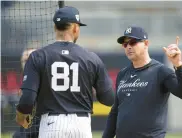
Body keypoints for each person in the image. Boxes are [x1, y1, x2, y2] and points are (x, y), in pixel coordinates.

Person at [15, 6, 114, 138]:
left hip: (51, 125)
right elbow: (108, 99)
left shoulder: (38, 56)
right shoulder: (92, 58)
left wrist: (21, 115)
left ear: (55, 27)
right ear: (75, 28)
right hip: (82, 126)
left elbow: (27, 100)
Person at [102, 26, 182, 138]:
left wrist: (178, 64)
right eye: (125, 44)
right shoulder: (123, 74)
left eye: (133, 42)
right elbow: (115, 111)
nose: (128, 47)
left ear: (146, 43)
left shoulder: (161, 71)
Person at [13, 48, 40, 138]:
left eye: (29, 60)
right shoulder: (25, 80)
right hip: (28, 127)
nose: (27, 63)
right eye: (24, 60)